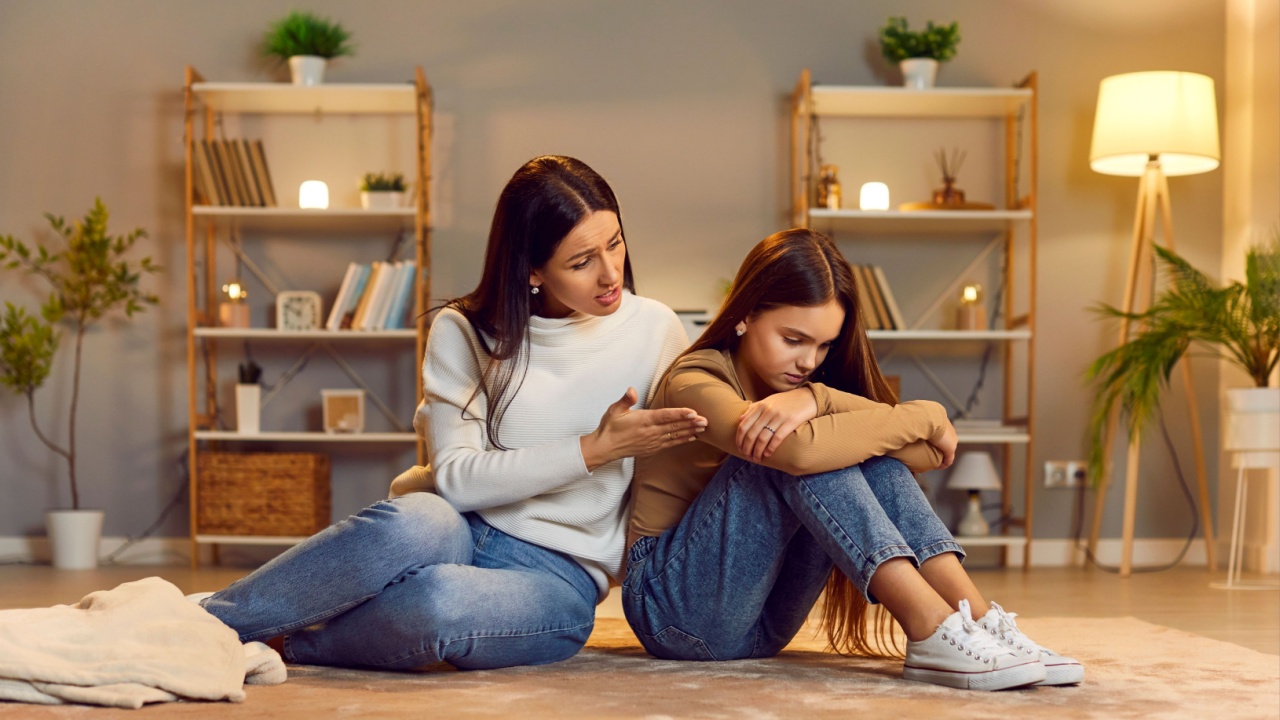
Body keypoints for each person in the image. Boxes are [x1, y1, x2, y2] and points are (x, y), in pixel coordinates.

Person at [197, 155, 704, 671]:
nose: (610, 273)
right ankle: (201, 623)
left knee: (440, 599)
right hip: (458, 526)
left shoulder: (657, 330)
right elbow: (458, 481)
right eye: (581, 262)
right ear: (531, 268)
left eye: (614, 242)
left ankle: (295, 645)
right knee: (416, 520)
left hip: (560, 578)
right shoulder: (463, 330)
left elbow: (715, 420)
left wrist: (793, 394)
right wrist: (597, 448)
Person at [624, 228, 1082, 691]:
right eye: (793, 339)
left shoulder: (801, 390)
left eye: (823, 346)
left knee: (861, 451)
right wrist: (920, 413)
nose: (808, 361)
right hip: (671, 607)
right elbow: (802, 451)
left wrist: (816, 400)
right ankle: (928, 625)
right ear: (745, 315)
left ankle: (978, 619)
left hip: (763, 620)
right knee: (796, 449)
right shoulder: (694, 378)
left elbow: (922, 455)